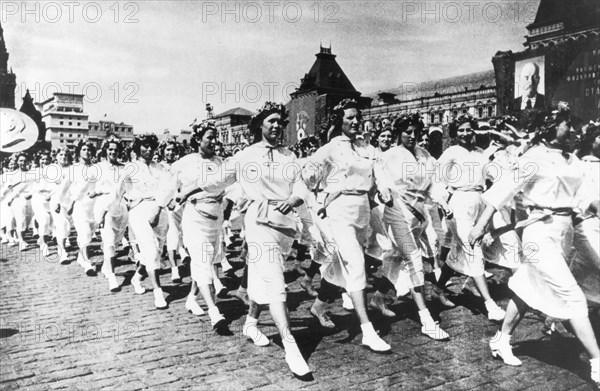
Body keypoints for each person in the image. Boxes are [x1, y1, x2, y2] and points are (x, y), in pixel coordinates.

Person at [469, 111, 599, 388]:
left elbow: (584, 199)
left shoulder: (573, 159)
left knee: (531, 285)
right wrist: (480, 227)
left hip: (564, 231)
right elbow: (501, 191)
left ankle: (501, 338)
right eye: (569, 124)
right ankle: (597, 361)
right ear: (551, 126)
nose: (575, 130)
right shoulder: (533, 157)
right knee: (571, 294)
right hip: (537, 230)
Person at [202, 102, 313, 380]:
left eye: (280, 122)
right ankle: (290, 344)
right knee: (276, 283)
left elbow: (300, 183)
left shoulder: (290, 155)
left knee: (264, 279)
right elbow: (215, 181)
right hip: (258, 222)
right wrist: (197, 189)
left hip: (285, 224)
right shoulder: (245, 155)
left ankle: (251, 323)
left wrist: (294, 198)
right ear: (259, 126)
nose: (277, 126)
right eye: (271, 121)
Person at [302, 99, 392, 353]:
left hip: (363, 210)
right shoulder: (329, 149)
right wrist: (316, 190)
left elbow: (379, 173)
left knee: (342, 265)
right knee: (355, 265)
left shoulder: (366, 147)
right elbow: (309, 177)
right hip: (338, 211)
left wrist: (384, 191)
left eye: (357, 117)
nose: (355, 122)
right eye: (350, 117)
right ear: (339, 121)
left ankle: (319, 304)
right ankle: (367, 331)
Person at [375, 115, 453, 340]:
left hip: (419, 214)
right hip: (397, 210)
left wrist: (442, 201)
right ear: (400, 132)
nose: (412, 135)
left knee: (396, 258)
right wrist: (385, 190)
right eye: (407, 131)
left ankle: (379, 296)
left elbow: (435, 184)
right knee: (414, 259)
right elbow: (381, 178)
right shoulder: (389, 155)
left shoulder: (425, 155)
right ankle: (426, 319)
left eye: (416, 131)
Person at [434, 116, 506, 321]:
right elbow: (437, 180)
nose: (465, 134)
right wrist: (443, 202)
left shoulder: (480, 153)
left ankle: (438, 289)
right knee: (472, 248)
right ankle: (489, 304)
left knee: (460, 250)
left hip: (479, 201)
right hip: (459, 203)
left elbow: (493, 176)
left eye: (469, 130)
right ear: (455, 134)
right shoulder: (451, 153)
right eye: (461, 130)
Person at [169, 122, 227, 329]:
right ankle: (214, 312)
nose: (213, 141)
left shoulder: (221, 162)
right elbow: (169, 188)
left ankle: (192, 298)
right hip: (195, 217)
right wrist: (167, 202)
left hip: (216, 217)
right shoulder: (184, 163)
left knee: (206, 260)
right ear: (198, 140)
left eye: (215, 137)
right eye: (209, 137)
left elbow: (230, 187)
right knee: (202, 263)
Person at [117, 134, 174, 309]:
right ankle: (158, 292)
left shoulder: (161, 168)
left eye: (151, 147)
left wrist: (165, 205)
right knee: (150, 250)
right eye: (145, 146)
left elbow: (167, 189)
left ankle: (137, 277)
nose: (149, 150)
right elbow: (119, 190)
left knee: (158, 250)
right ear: (138, 148)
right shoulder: (131, 167)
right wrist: (119, 207)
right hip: (139, 211)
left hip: (159, 210)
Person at [92, 137, 129, 292]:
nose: (113, 152)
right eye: (110, 149)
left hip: (121, 207)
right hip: (105, 206)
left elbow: (128, 187)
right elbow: (90, 185)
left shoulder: (124, 168)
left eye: (116, 149)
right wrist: (93, 192)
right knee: (109, 242)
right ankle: (112, 278)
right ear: (106, 150)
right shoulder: (99, 167)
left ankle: (107, 267)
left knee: (117, 240)